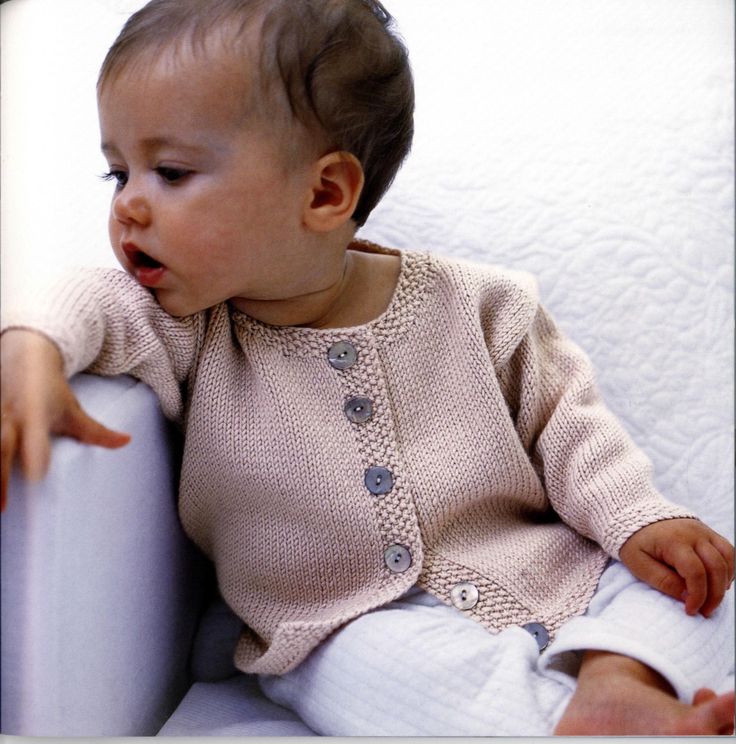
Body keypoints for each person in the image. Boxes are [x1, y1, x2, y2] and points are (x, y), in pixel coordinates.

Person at [1, 0, 733, 736]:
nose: (128, 205)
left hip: (550, 574)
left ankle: (615, 673)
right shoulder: (186, 326)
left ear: (324, 193)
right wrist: (30, 346)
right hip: (344, 624)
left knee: (699, 588)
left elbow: (571, 430)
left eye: (169, 171)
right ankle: (578, 717)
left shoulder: (482, 305)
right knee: (384, 679)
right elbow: (84, 299)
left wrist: (640, 520)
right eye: (116, 173)